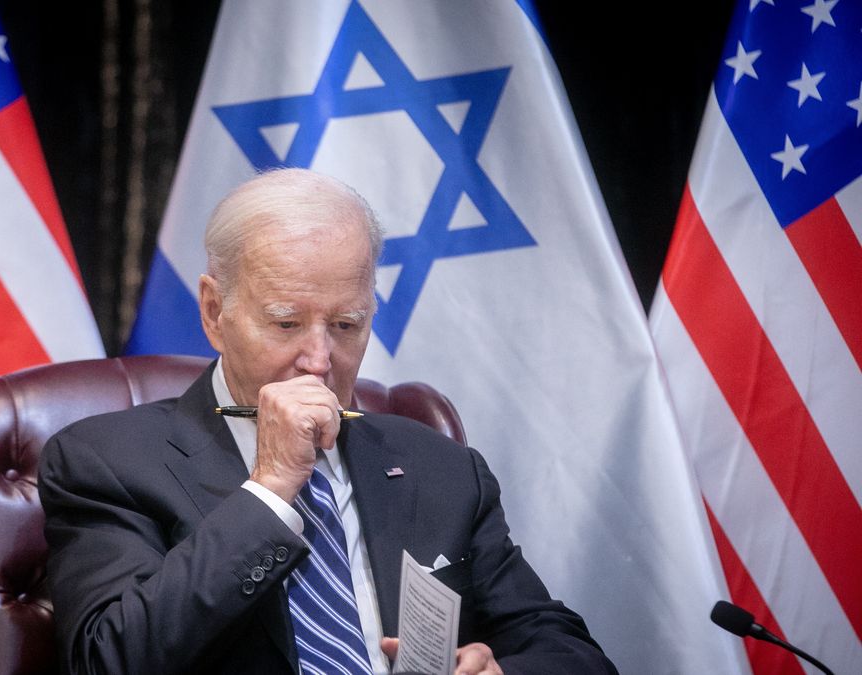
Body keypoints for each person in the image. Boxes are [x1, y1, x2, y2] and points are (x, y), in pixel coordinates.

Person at [39, 168, 617, 674]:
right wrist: (269, 491)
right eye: (287, 324)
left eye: (345, 325)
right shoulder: (107, 461)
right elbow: (109, 659)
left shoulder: (439, 467)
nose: (319, 360)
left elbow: (570, 652)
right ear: (216, 313)